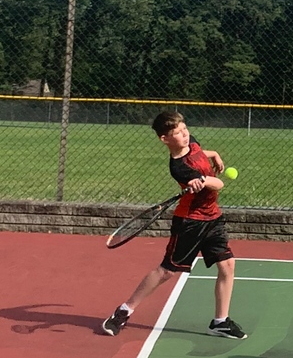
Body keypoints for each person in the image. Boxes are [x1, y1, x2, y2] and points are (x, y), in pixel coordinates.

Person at [102, 111, 247, 340]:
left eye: (185, 129)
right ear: (165, 139)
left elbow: (199, 151)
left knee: (227, 264)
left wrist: (215, 154)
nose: (185, 134)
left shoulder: (191, 141)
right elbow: (218, 184)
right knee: (166, 271)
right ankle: (124, 310)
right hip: (190, 222)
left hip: (213, 218)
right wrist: (205, 180)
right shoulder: (178, 167)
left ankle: (220, 322)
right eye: (178, 133)